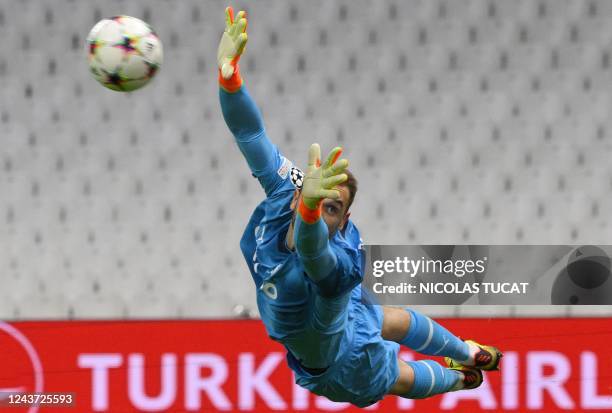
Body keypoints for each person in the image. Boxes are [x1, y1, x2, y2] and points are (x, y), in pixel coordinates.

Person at [217, 7, 502, 407]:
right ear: (300, 190)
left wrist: (312, 211)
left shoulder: (333, 268)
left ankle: (459, 381)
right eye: (318, 200)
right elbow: (249, 132)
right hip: (337, 332)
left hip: (340, 359)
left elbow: (313, 249)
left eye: (334, 209)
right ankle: (469, 357)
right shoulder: (287, 190)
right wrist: (229, 78)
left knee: (398, 375)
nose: (323, 210)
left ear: (344, 221)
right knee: (394, 320)